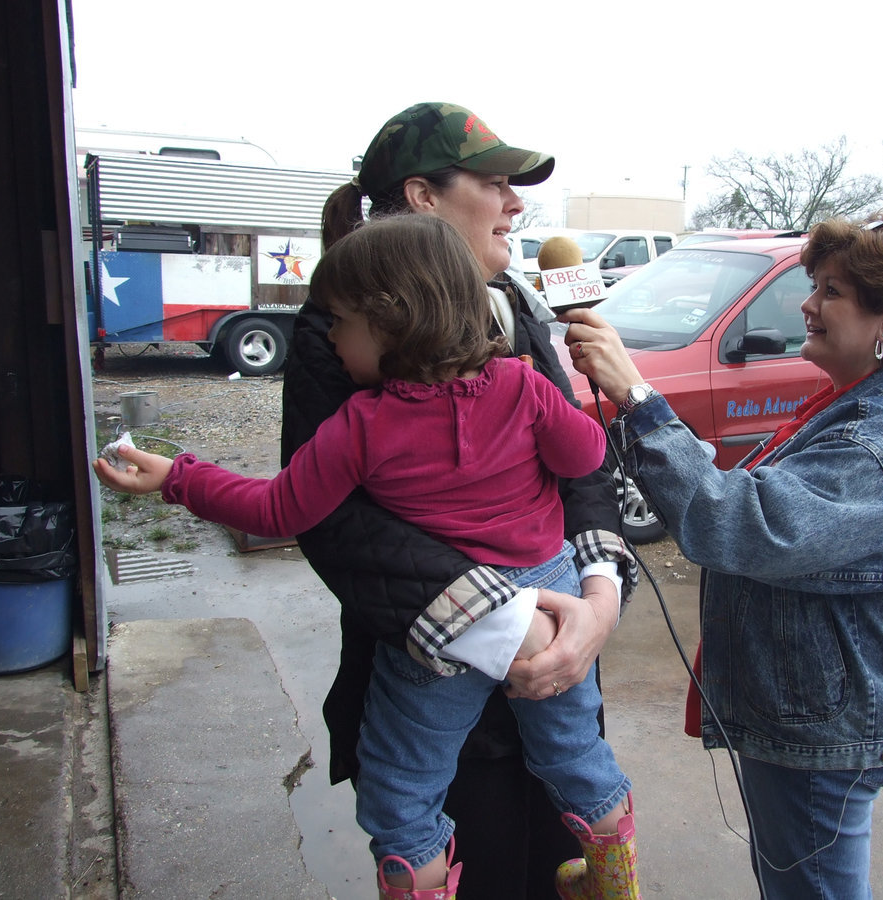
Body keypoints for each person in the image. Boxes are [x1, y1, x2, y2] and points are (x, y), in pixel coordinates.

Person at [93, 214, 638, 900]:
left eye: (340, 319)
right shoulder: (524, 387)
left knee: (404, 796)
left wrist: (179, 477)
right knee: (578, 757)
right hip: (554, 601)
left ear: (392, 321)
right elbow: (584, 458)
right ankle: (615, 880)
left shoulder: (362, 425)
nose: (325, 335)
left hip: (445, 633)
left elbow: (276, 511)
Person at [279, 102, 637, 900]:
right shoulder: (340, 334)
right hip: (447, 700)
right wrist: (510, 624)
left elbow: (578, 467)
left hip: (562, 664)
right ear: (422, 198)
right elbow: (333, 524)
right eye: (497, 184)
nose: (517, 206)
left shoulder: (511, 303)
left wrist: (600, 600)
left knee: (560, 864)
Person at [562, 209, 883, 899]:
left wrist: (635, 394)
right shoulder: (847, 407)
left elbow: (734, 522)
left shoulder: (878, 446)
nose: (808, 304)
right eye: (816, 285)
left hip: (821, 736)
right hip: (814, 720)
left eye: (831, 291)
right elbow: (736, 495)